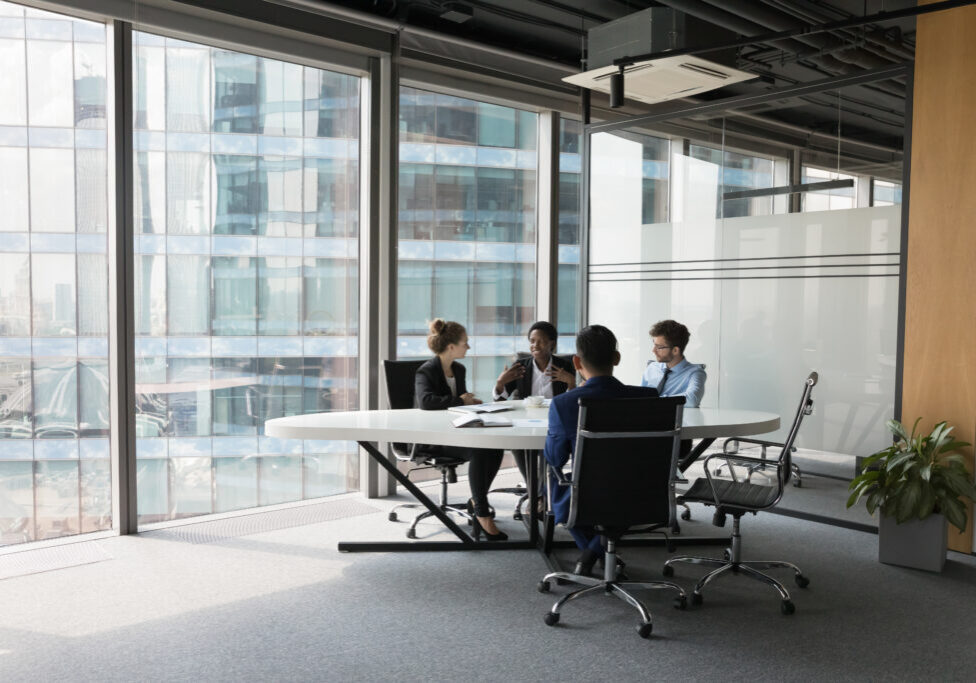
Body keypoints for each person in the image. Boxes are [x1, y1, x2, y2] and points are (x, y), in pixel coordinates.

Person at [542, 324, 658, 576]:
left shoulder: (564, 403)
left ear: (576, 362)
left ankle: (592, 553)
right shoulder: (648, 397)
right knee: (620, 492)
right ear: (616, 358)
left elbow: (555, 458)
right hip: (642, 492)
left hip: (587, 496)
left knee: (552, 478)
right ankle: (598, 552)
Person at [415, 319, 508, 541]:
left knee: (495, 447)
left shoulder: (459, 369)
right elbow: (426, 402)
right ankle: (482, 513)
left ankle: (477, 501)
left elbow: (459, 403)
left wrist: (471, 403)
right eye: (465, 342)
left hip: (456, 431)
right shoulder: (426, 371)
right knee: (479, 451)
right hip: (434, 438)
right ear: (451, 347)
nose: (468, 346)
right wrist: (460, 401)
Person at [492, 320, 576, 504]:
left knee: (551, 449)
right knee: (518, 446)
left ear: (552, 343)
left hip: (554, 423)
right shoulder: (521, 366)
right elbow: (500, 400)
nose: (535, 345)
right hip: (527, 423)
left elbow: (572, 403)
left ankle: (540, 494)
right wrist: (500, 383)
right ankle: (537, 494)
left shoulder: (565, 365)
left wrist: (571, 382)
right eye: (532, 341)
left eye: (541, 341)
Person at [640, 319, 706, 407]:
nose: (653, 351)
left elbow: (692, 400)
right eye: (654, 345)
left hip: (677, 416)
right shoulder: (652, 367)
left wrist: (654, 401)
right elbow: (640, 398)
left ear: (675, 350)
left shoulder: (695, 373)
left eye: (659, 347)